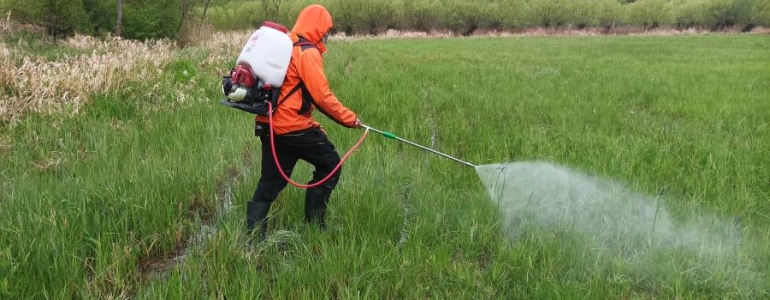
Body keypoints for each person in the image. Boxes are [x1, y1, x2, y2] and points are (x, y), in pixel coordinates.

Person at [246, 4, 361, 241]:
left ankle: (254, 238)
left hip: (269, 124)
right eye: (327, 29)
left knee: (269, 182)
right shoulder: (307, 52)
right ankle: (315, 227)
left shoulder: (285, 44)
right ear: (318, 28)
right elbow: (321, 96)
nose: (327, 35)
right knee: (330, 165)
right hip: (292, 127)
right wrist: (350, 119)